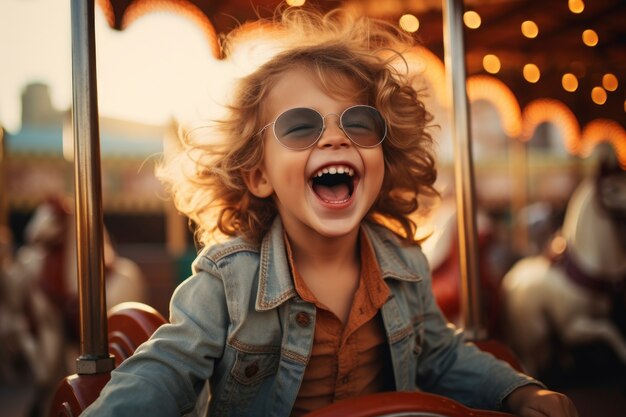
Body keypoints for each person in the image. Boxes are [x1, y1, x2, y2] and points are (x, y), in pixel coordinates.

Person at [82, 7, 577, 417]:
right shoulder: (228, 280)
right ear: (259, 175)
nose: (337, 136)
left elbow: (442, 357)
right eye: (300, 127)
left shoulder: (403, 265)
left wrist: (518, 390)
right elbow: (167, 367)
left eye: (360, 124)